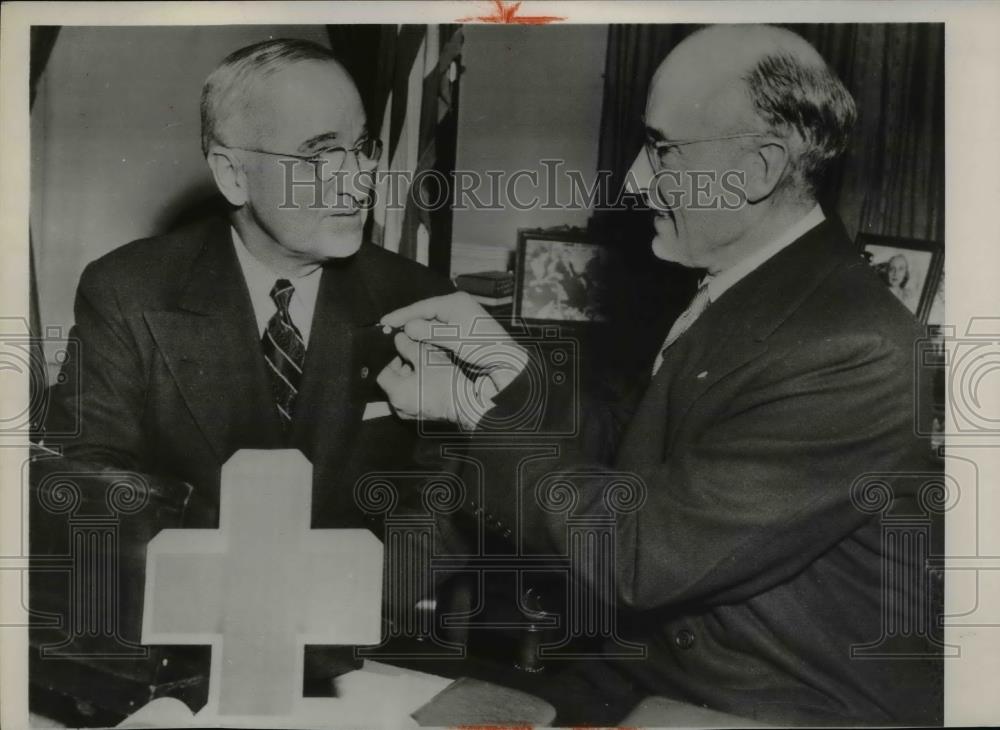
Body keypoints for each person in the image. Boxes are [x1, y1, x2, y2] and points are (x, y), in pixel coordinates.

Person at [377, 25, 941, 726]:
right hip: (655, 678)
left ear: (761, 169)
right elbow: (635, 442)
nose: (635, 181)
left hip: (776, 706)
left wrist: (472, 413)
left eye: (662, 149)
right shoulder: (745, 285)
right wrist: (503, 368)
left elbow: (638, 556)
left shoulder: (855, 345)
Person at [33, 38, 453, 718]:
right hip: (174, 659)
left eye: (363, 147)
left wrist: (343, 612)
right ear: (232, 173)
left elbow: (446, 494)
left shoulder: (421, 298)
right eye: (319, 154)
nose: (357, 180)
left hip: (364, 655)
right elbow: (92, 487)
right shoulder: (128, 290)